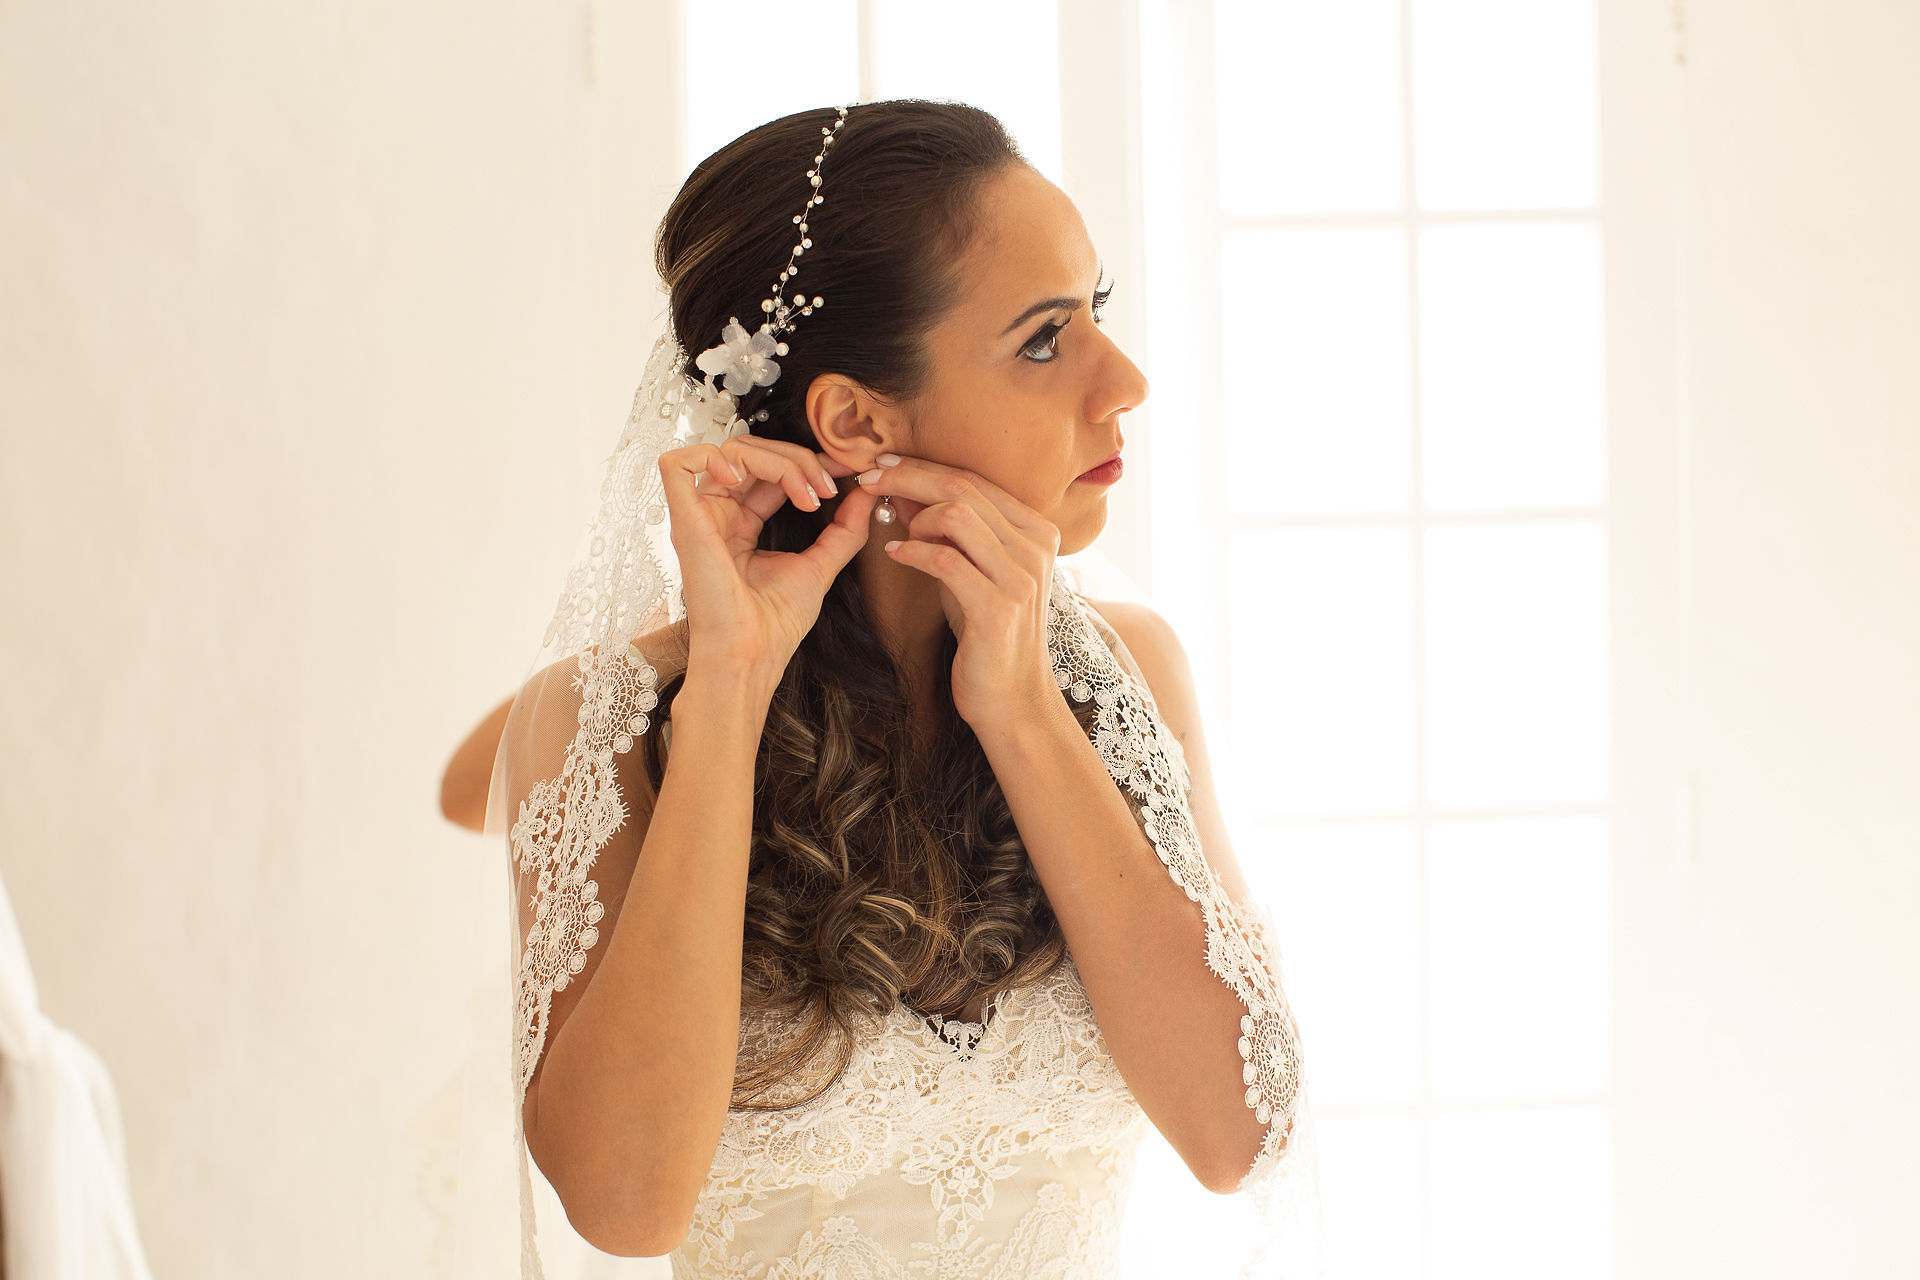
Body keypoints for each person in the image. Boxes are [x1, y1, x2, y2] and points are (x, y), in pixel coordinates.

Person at [456, 99, 1324, 1279]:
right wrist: (729, 691)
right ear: (856, 419)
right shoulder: (606, 723)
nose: (1123, 379)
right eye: (1044, 340)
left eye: (1098, 311)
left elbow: (1241, 1131)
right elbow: (624, 1206)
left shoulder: (1127, 678)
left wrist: (1023, 710)